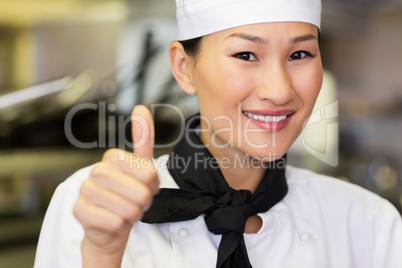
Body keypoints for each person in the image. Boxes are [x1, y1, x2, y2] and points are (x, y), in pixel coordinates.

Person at [34, 0, 402, 267]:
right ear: (183, 67)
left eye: (300, 54)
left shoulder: (370, 223)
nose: (279, 90)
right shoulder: (90, 206)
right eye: (245, 55)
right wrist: (101, 254)